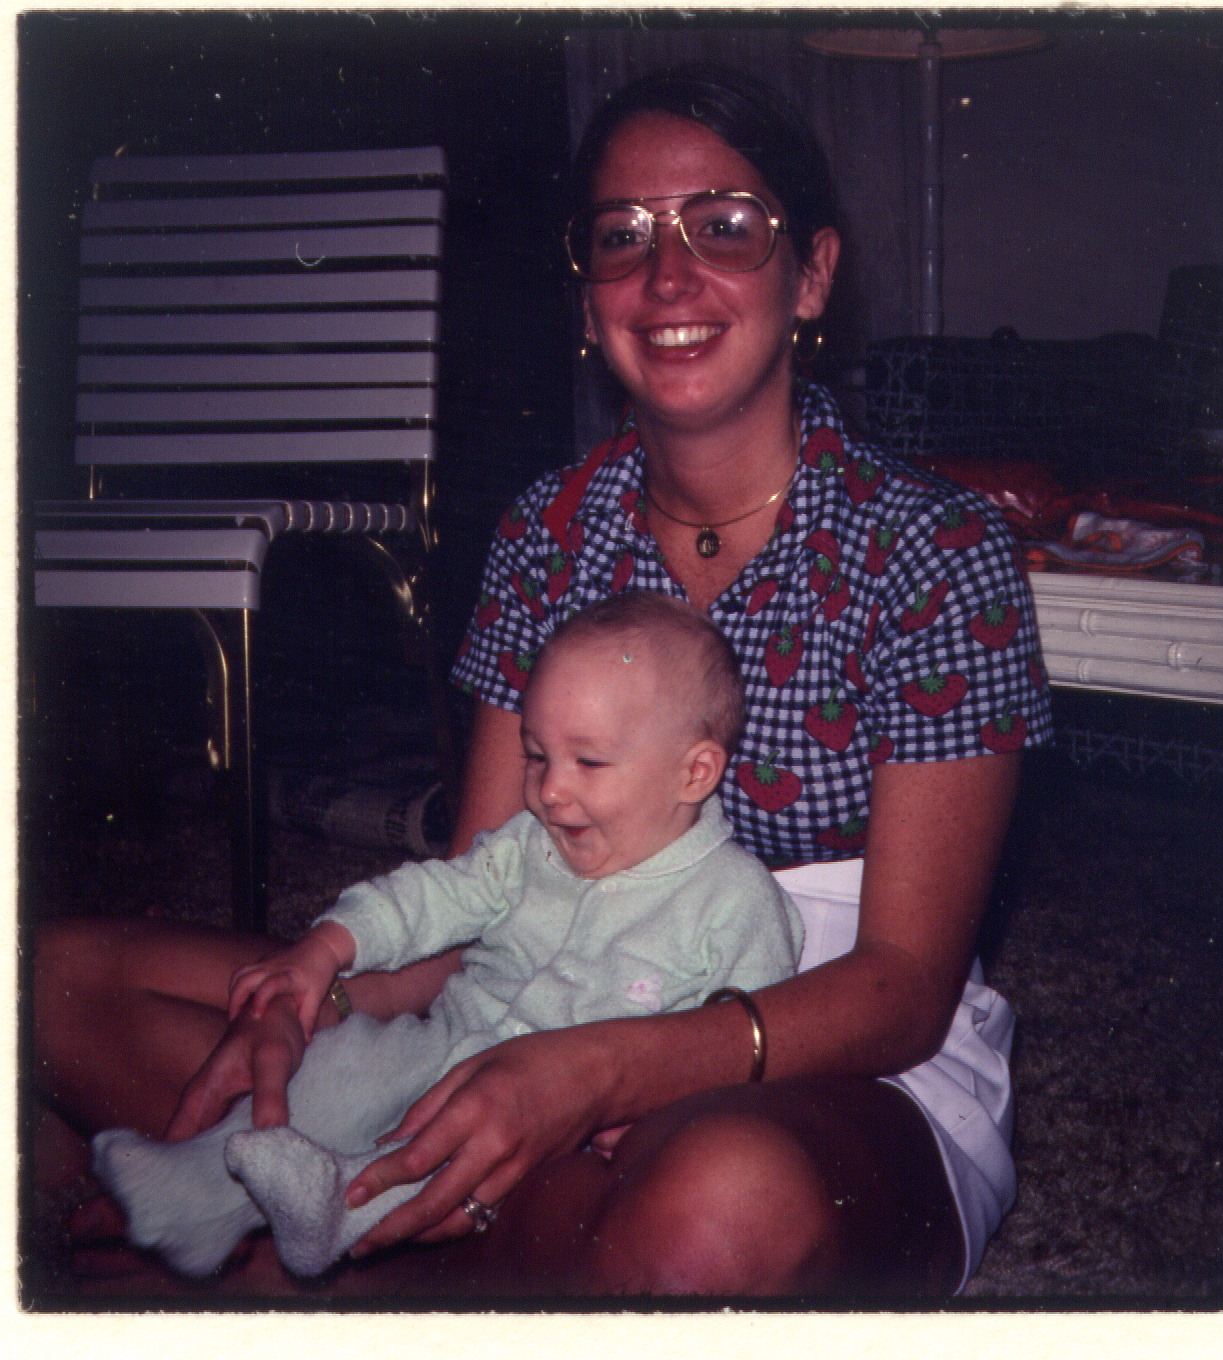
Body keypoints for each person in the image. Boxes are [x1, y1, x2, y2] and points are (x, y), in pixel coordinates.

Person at [34, 62, 1052, 1298]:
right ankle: (401, 1228)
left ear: (812, 273)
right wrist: (309, 992)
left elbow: (901, 989)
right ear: (586, 296)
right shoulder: (546, 532)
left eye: (725, 226)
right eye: (622, 237)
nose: (667, 276)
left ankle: (307, 1255)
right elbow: (479, 896)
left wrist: (599, 1069)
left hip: (819, 1050)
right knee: (56, 980)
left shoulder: (938, 548)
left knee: (715, 1208)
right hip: (529, 996)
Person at [87, 592, 801, 1280]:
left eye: (588, 762)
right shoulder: (526, 846)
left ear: (694, 773)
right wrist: (327, 946)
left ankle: (335, 1212)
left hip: (564, 1123)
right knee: (340, 1067)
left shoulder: (738, 900)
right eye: (536, 755)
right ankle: (194, 1186)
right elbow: (432, 896)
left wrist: (658, 1114)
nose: (550, 791)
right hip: (444, 1044)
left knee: (443, 1153)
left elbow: (743, 1057)